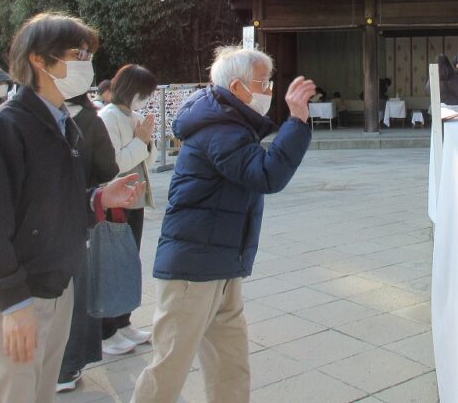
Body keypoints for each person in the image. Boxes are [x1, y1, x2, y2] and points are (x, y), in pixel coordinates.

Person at [0, 12, 146, 403]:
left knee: (40, 393)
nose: (85, 62)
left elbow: (48, 202)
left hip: (55, 286)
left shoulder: (60, 122)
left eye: (87, 53)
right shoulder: (2, 127)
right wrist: (13, 304)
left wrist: (98, 199)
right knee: (12, 393)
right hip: (16, 295)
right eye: (77, 52)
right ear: (38, 59)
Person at [130, 45, 316, 403]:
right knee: (170, 366)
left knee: (230, 364)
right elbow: (266, 174)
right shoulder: (219, 128)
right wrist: (296, 121)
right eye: (263, 82)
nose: (268, 90)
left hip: (222, 263)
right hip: (192, 267)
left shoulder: (227, 121)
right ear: (236, 88)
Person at [55, 92, 120, 393]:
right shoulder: (89, 119)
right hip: (78, 216)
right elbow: (108, 168)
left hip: (40, 228)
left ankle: (58, 368)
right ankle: (67, 366)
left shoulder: (13, 116)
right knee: (78, 294)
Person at [96, 64, 157, 356]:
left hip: (135, 199)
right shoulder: (107, 117)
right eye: (143, 93)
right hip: (116, 202)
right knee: (113, 265)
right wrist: (141, 141)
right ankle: (107, 330)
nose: (145, 99)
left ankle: (124, 321)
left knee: (130, 262)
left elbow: (148, 158)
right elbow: (114, 163)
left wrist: (147, 141)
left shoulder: (133, 116)